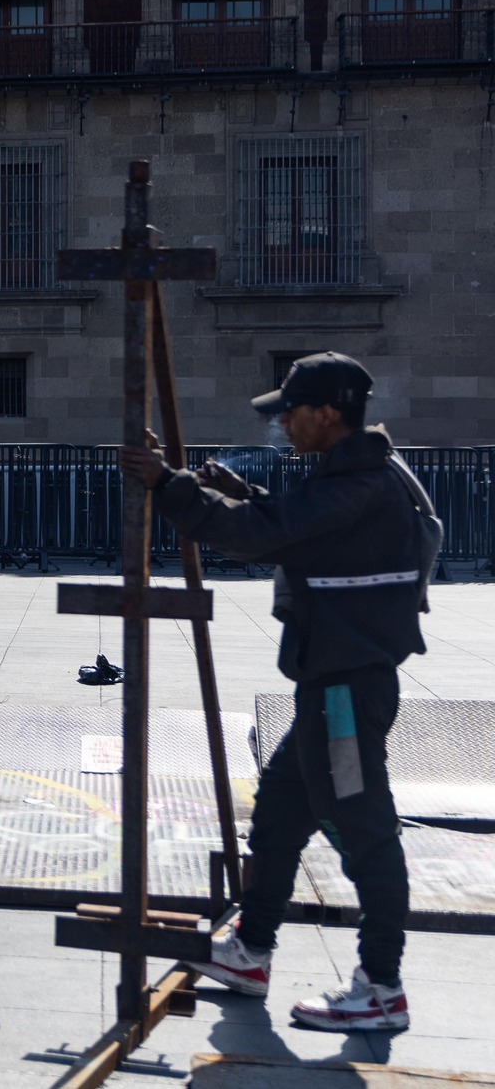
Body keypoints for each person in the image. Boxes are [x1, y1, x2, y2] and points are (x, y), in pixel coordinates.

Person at [120, 351, 438, 1033]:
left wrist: (173, 488)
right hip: (332, 687)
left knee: (366, 833)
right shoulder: (352, 477)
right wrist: (238, 493)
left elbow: (273, 536)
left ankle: (381, 987)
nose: (286, 424)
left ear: (329, 415)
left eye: (293, 412)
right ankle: (251, 952)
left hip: (347, 695)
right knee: (282, 811)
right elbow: (304, 532)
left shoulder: (360, 484)